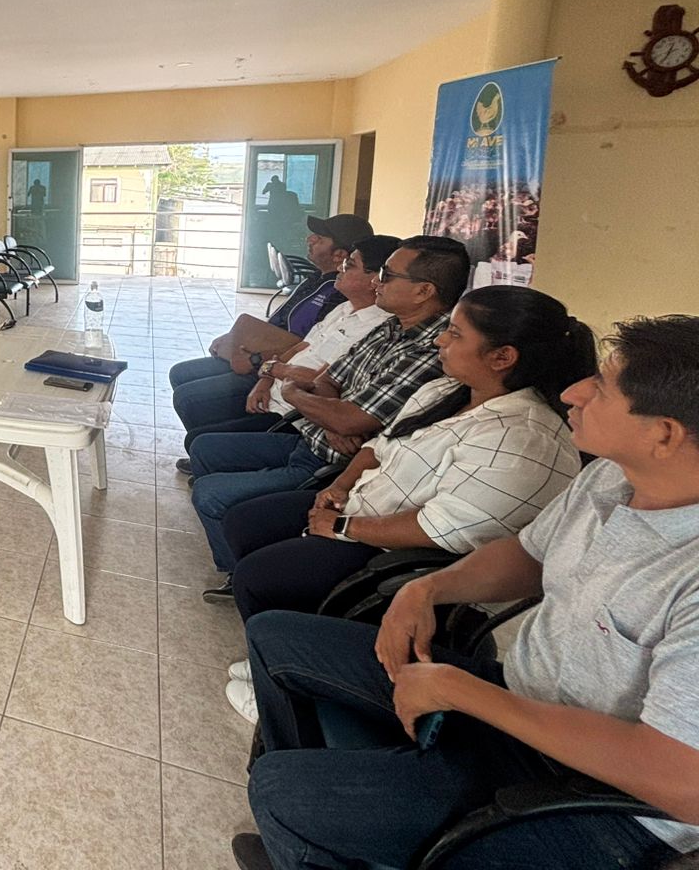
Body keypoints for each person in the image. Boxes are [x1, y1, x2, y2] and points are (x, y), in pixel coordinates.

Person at [231, 314, 699, 870]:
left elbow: (680, 782)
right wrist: (428, 589)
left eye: (600, 387)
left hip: (592, 796)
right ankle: (337, 833)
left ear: (664, 433)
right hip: (520, 700)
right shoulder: (611, 479)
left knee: (280, 792)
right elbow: (527, 554)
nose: (573, 391)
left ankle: (321, 829)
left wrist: (462, 691)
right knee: (275, 638)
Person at [218, 285, 596, 720]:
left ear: (502, 357)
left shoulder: (522, 439)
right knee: (246, 523)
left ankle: (290, 691)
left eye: (456, 334)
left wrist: (341, 528)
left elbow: (441, 529)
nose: (440, 340)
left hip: (400, 556)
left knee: (260, 578)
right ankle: (277, 654)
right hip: (360, 509)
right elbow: (380, 445)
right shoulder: (446, 392)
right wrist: (339, 487)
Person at [190, 235, 469, 595]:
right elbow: (328, 381)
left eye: (386, 274)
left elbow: (349, 417)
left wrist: (310, 400)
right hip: (311, 436)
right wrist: (332, 414)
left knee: (212, 494)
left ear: (423, 291)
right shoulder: (391, 326)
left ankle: (250, 576)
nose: (378, 281)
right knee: (205, 448)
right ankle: (244, 565)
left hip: (333, 465)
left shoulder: (429, 349)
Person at [168, 213, 374, 448]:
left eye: (320, 238)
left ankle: (216, 446)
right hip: (268, 362)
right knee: (181, 374)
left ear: (340, 254)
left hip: (274, 368)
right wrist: (233, 339)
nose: (310, 239)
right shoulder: (318, 281)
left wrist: (257, 361)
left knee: (190, 399)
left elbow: (305, 349)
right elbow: (286, 330)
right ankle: (213, 445)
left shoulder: (339, 295)